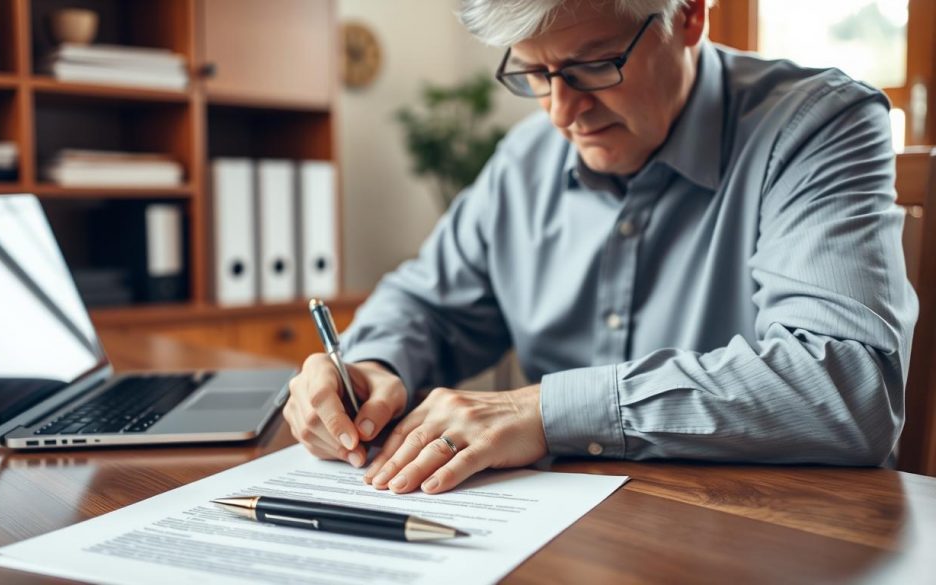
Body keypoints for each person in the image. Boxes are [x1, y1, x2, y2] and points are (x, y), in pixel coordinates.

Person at [282, 0, 918, 495]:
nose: (562, 111)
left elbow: (846, 384)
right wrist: (369, 370)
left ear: (689, 14)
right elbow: (427, 303)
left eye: (595, 63)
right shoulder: (523, 163)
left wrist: (547, 412)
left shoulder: (819, 126)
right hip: (562, 532)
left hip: (773, 535)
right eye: (533, 71)